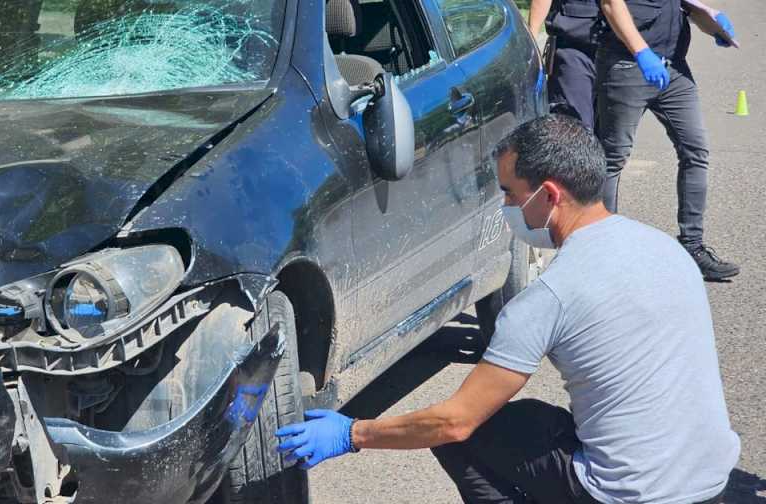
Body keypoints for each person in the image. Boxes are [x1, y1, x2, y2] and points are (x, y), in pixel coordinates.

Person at [275, 115, 739, 504]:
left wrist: (353, 433)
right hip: (710, 479)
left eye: (511, 194)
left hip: (629, 494)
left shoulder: (552, 295)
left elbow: (455, 422)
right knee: (526, 419)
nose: (506, 206)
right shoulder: (665, 249)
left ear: (550, 195)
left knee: (463, 438)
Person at [596, 0, 739, 280]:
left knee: (695, 152)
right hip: (627, 65)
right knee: (612, 159)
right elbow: (611, 4)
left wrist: (711, 21)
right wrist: (642, 53)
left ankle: (692, 247)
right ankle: (601, 251)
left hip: (674, 67)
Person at [529, 0, 601, 130]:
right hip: (575, 49)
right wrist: (531, 44)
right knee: (572, 127)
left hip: (623, 50)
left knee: (612, 137)